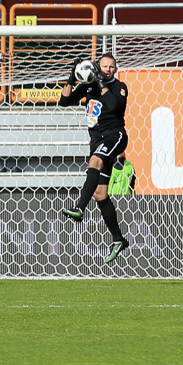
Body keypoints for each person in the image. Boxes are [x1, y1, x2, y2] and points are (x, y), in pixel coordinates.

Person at [58, 53, 131, 264]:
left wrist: (101, 82)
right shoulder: (88, 86)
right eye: (104, 66)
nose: (108, 69)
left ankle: (79, 208)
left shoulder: (119, 87)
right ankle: (118, 239)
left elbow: (114, 106)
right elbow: (64, 101)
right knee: (100, 194)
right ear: (98, 67)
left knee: (94, 162)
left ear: (115, 70)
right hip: (97, 140)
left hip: (115, 136)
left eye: (111, 67)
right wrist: (72, 78)